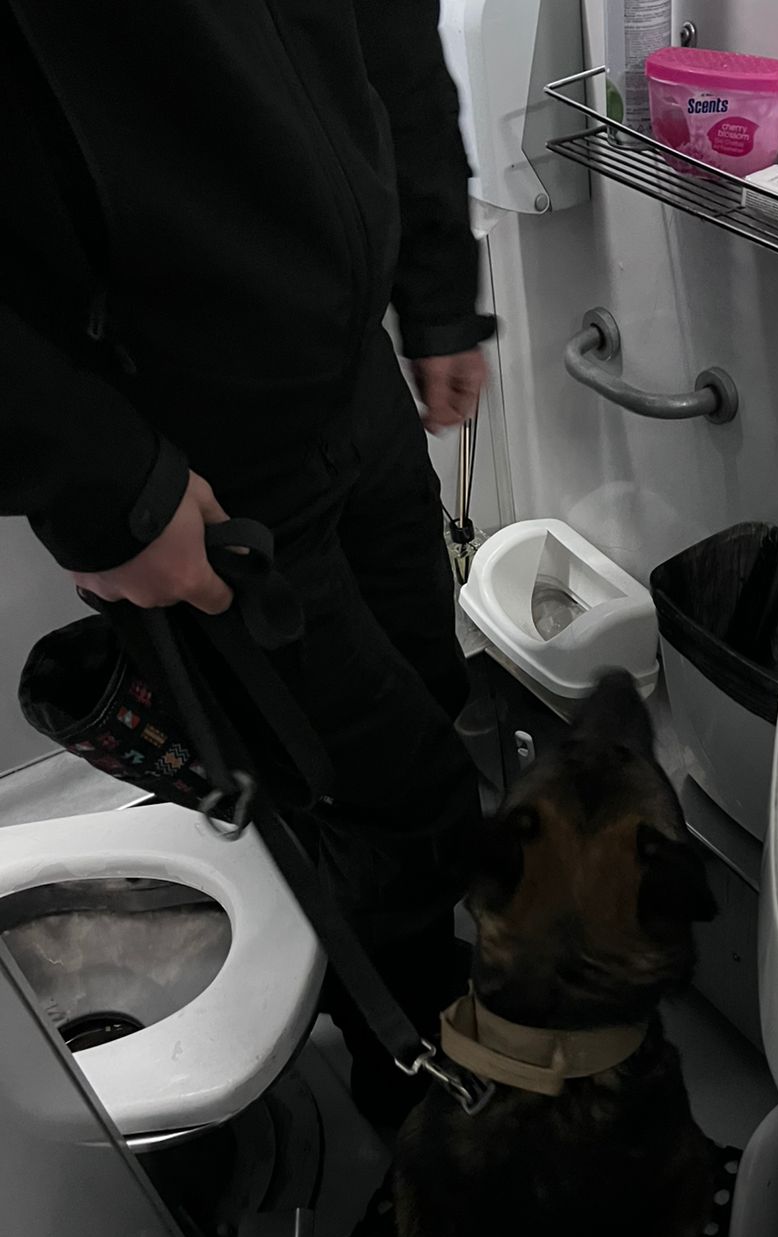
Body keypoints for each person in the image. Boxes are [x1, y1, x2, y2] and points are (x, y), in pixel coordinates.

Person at [0, 0, 493, 1122]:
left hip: (349, 373)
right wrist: (101, 482)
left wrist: (435, 288)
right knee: (380, 797)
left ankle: (422, 1000)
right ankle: (410, 1077)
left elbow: (387, 27)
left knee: (429, 707)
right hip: (187, 462)